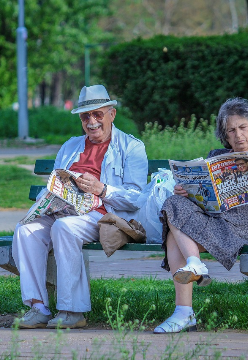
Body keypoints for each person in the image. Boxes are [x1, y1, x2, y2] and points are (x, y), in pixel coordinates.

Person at [13, 85, 148, 329]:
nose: (92, 121)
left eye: (98, 114)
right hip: (65, 212)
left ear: (111, 115)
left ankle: (72, 311)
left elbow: (137, 198)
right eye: (85, 116)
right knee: (25, 230)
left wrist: (102, 189)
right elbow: (55, 182)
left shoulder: (131, 147)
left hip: (104, 215)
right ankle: (38, 307)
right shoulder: (70, 146)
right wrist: (49, 200)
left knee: (65, 228)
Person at [153, 98, 248, 334]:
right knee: (173, 202)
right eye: (231, 131)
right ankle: (194, 267)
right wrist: (188, 191)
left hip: (243, 229)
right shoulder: (217, 156)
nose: (238, 135)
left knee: (174, 236)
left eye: (243, 127)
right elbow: (203, 197)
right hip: (213, 220)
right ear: (225, 136)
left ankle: (183, 311)